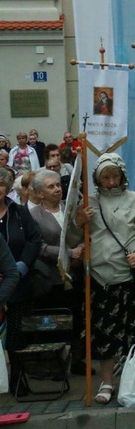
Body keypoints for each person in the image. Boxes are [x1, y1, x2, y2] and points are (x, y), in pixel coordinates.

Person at [68, 153, 135, 404]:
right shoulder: (89, 203)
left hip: (131, 278)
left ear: (122, 176)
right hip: (100, 278)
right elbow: (70, 242)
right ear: (97, 179)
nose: (110, 182)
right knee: (104, 336)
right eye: (105, 177)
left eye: (114, 176)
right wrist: (78, 222)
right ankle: (107, 382)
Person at [28, 170, 90, 375]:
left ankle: (77, 360)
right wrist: (68, 253)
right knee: (54, 323)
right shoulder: (33, 215)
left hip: (75, 274)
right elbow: (39, 246)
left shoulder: (70, 209)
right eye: (50, 187)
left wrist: (80, 248)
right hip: (51, 279)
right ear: (39, 193)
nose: (57, 189)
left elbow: (82, 233)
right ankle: (54, 364)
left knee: (77, 319)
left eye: (58, 185)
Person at [0, 167, 40, 396]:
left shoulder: (19, 212)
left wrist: (21, 266)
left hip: (17, 283)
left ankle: (16, 378)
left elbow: (34, 240)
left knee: (15, 336)